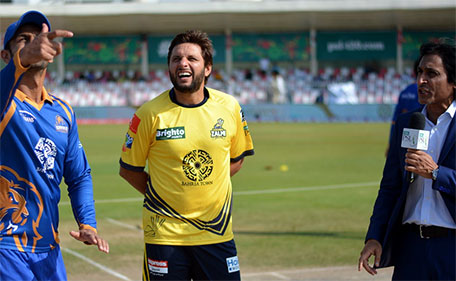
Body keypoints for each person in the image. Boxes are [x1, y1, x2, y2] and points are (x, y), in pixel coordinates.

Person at [119, 30, 254, 280]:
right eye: (176, 59)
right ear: (169, 68)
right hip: (164, 235)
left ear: (208, 68)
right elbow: (128, 170)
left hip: (216, 232)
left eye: (192, 58)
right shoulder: (148, 114)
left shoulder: (230, 107)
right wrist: (164, 194)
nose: (183, 63)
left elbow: (236, 160)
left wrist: (207, 185)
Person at [0, 10, 109, 281]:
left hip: (49, 250)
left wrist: (88, 224)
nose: (35, 43)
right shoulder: (5, 103)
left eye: (39, 38)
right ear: (6, 56)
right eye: (24, 39)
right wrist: (23, 60)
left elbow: (78, 175)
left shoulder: (63, 112)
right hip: (6, 248)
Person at [358, 40, 456, 280]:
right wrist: (375, 237)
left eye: (432, 74)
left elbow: (437, 173)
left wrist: (435, 172)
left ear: (453, 82)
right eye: (420, 72)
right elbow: (390, 187)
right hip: (411, 250)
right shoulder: (407, 124)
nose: (421, 81)